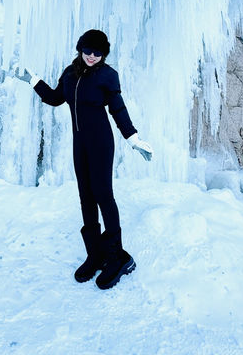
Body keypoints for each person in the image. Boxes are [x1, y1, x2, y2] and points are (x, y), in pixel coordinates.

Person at [14, 29, 152, 289]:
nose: (91, 56)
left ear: (104, 54)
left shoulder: (108, 76)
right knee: (86, 197)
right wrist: (33, 80)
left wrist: (133, 139)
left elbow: (118, 108)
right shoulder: (70, 73)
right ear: (80, 49)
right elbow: (56, 98)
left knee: (103, 195)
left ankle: (116, 257)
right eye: (87, 50)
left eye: (97, 53)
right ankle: (95, 253)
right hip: (80, 145)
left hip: (101, 143)